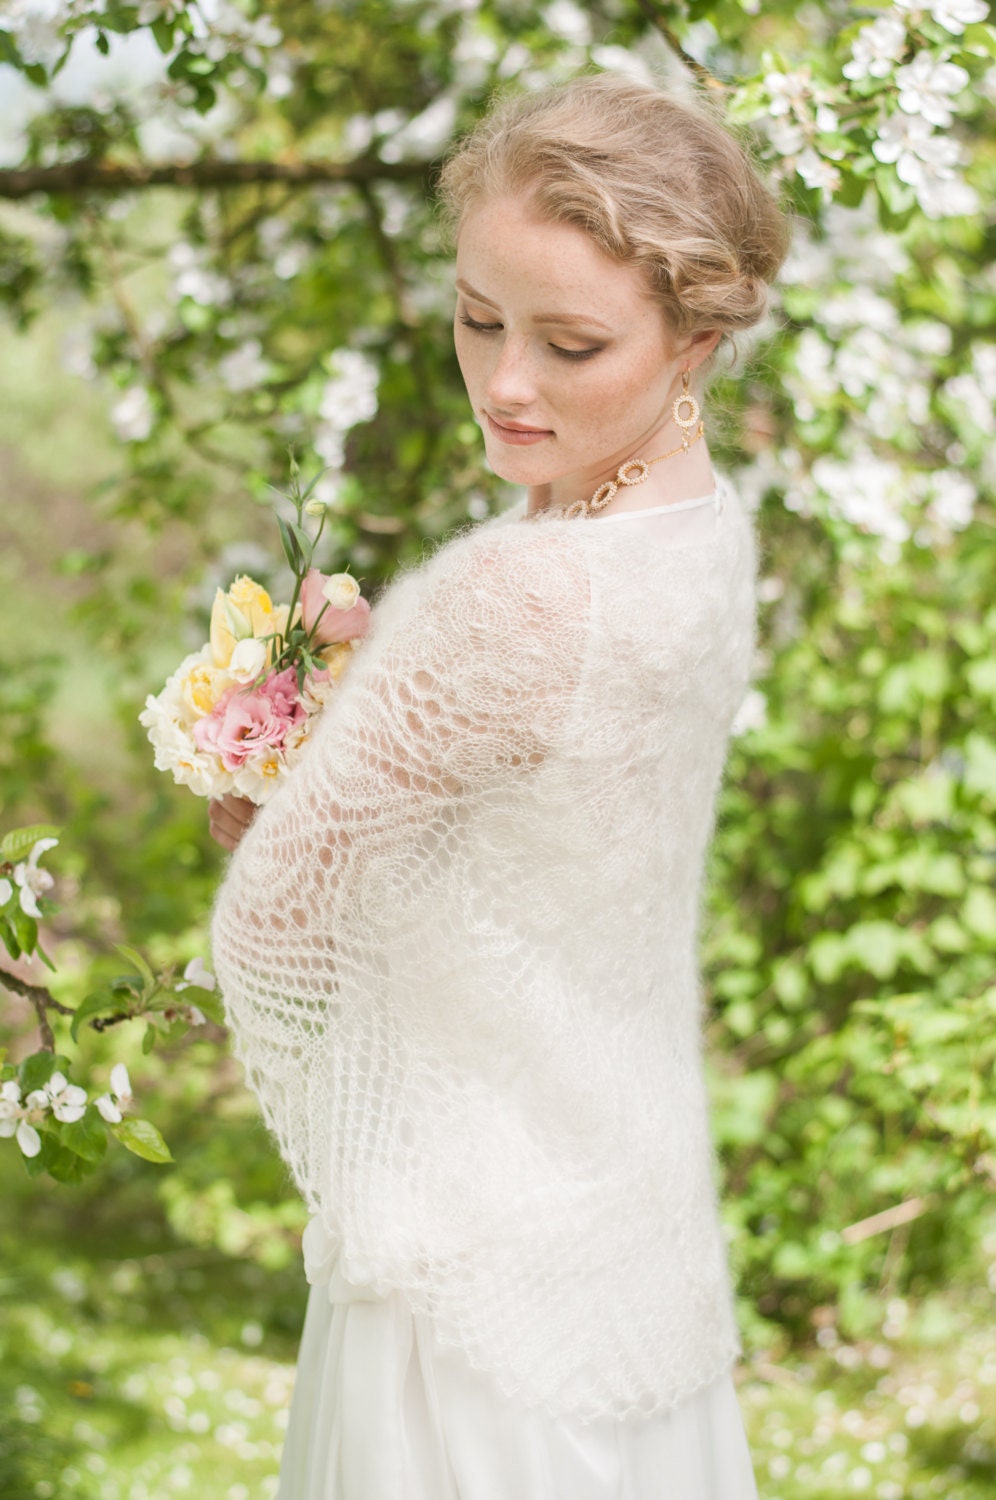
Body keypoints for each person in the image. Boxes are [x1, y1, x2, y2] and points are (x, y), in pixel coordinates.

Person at [208, 69, 791, 1500]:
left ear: (697, 335)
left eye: (571, 342)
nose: (505, 380)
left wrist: (264, 804)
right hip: (628, 1229)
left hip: (469, 1286)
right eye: (477, 320)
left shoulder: (515, 599)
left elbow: (278, 924)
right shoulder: (703, 533)